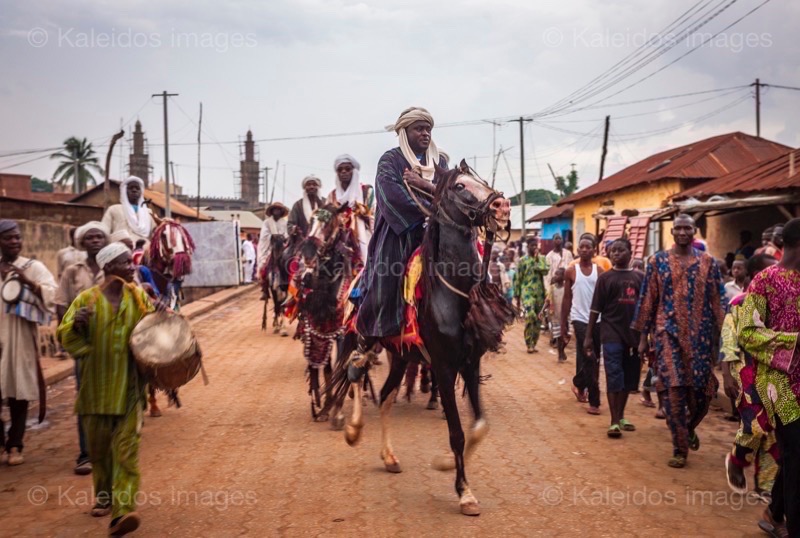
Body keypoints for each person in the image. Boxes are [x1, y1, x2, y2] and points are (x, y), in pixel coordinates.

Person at [57, 243, 156, 535]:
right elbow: (66, 337)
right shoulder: (86, 300)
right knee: (100, 453)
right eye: (126, 263)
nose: (132, 268)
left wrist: (160, 313)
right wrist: (75, 326)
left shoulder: (138, 298)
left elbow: (154, 333)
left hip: (129, 388)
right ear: (109, 267)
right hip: (95, 390)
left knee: (127, 453)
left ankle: (122, 511)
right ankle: (103, 495)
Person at [633, 214, 725, 468]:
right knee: (673, 389)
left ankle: (688, 427)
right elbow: (648, 298)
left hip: (701, 336)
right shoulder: (658, 261)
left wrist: (726, 337)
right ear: (671, 232)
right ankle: (679, 447)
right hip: (667, 334)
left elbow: (718, 301)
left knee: (702, 392)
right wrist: (643, 337)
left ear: (694, 231)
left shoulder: (708, 263)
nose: (683, 232)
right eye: (678, 228)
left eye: (687, 228)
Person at [356, 106, 447, 344]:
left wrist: (425, 187)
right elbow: (391, 197)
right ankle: (373, 336)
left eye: (428, 129)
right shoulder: (390, 160)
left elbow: (451, 194)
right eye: (419, 129)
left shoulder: (441, 161)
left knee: (472, 269)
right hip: (399, 234)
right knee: (387, 275)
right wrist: (433, 207)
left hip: (437, 231)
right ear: (404, 132)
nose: (425, 133)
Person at [738, 218, 800, 537]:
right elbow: (747, 332)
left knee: (795, 453)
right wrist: (792, 340)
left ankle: (775, 512)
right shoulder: (764, 281)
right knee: (797, 451)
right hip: (778, 384)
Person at [721, 254, 779, 501]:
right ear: (756, 275)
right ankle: (736, 459)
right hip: (744, 370)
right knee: (754, 424)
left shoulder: (782, 302)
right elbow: (728, 339)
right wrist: (727, 375)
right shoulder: (739, 303)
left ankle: (765, 485)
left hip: (775, 373)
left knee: (773, 428)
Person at [0, 220, 58, 466]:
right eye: (8, 238)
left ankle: (15, 444)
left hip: (19, 337)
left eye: (17, 237)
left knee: (18, 391)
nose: (14, 241)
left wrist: (27, 282)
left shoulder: (33, 267)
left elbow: (52, 294)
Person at [55, 221, 110, 475]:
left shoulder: (113, 268)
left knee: (115, 395)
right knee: (85, 398)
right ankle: (85, 454)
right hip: (85, 344)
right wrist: (69, 331)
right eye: (90, 237)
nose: (95, 241)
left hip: (113, 343)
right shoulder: (71, 271)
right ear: (81, 242)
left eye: (100, 236)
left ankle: (111, 448)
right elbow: (61, 305)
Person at [584, 238, 643, 438]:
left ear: (630, 252)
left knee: (628, 376)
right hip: (610, 333)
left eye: (621, 250)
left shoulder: (639, 278)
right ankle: (614, 420)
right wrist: (589, 336)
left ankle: (622, 414)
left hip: (633, 335)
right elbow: (595, 309)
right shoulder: (605, 278)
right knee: (613, 373)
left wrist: (645, 336)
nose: (616, 254)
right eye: (613, 251)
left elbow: (645, 308)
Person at [562, 234, 604, 414]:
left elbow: (604, 298)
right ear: (578, 250)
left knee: (594, 357)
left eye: (589, 247)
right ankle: (594, 401)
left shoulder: (600, 271)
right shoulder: (571, 271)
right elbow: (566, 298)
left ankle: (579, 383)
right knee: (588, 355)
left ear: (595, 250)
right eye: (582, 247)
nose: (585, 250)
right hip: (578, 319)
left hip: (598, 320)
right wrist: (563, 324)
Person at [327, 154, 375, 263]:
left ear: (354, 171)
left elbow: (375, 214)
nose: (344, 172)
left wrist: (363, 215)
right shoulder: (332, 196)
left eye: (347, 169)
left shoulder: (366, 191)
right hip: (338, 238)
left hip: (363, 234)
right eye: (340, 170)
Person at [514, 238, 549, 354]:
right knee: (530, 316)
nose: (534, 247)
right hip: (527, 292)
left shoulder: (542, 259)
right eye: (532, 245)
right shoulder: (522, 261)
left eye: (536, 245)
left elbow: (545, 270)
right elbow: (517, 279)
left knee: (538, 319)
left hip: (539, 293)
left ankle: (534, 343)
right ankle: (528, 343)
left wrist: (537, 259)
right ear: (527, 246)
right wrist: (517, 298)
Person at [101, 177, 156, 245]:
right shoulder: (114, 209)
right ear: (124, 191)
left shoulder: (149, 213)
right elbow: (103, 231)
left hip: (144, 250)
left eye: (137, 188)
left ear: (141, 192)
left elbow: (155, 233)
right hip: (120, 250)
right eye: (131, 188)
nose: (134, 190)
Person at [542, 267, 567, 361]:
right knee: (559, 337)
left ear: (564, 277)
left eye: (558, 274)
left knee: (566, 336)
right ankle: (560, 354)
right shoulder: (552, 288)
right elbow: (548, 301)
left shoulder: (567, 288)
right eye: (555, 274)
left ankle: (562, 350)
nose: (555, 276)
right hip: (555, 316)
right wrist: (542, 311)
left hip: (565, 316)